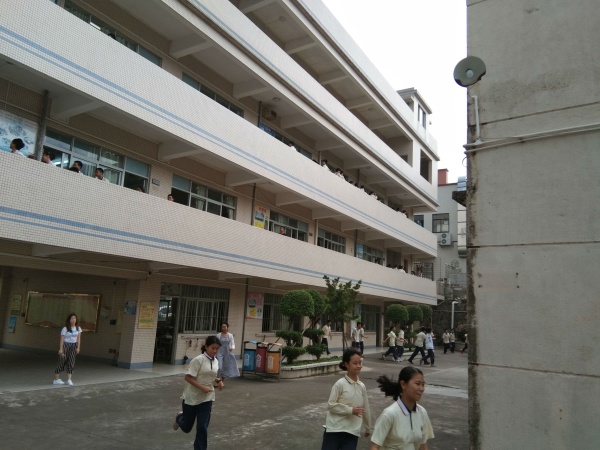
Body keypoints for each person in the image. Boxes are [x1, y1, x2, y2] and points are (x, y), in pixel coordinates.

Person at [173, 335, 224, 450]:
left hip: (207, 398)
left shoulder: (216, 361)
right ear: (206, 347)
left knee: (202, 427)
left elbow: (211, 375)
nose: (215, 351)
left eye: (217, 349)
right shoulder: (198, 360)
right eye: (212, 348)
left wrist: (219, 381)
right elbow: (188, 377)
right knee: (187, 427)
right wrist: (202, 387)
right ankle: (179, 417)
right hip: (191, 398)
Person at [370, 367, 434, 449]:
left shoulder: (422, 413)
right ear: (403, 384)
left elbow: (423, 444)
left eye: (423, 384)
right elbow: (374, 446)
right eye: (417, 384)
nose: (421, 388)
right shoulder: (389, 414)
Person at [321, 348, 372, 450]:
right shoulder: (340, 384)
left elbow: (365, 408)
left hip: (352, 432)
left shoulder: (362, 386)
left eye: (360, 363)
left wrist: (368, 427)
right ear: (346, 364)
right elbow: (331, 405)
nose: (359, 366)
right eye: (355, 363)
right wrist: (350, 410)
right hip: (334, 430)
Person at [53, 313, 82, 386]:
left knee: (71, 362)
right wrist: (61, 349)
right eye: (72, 318)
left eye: (74, 318)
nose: (73, 320)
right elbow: (62, 339)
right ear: (69, 320)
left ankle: (69, 379)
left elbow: (78, 339)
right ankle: (56, 379)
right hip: (66, 345)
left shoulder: (78, 328)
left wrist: (78, 347)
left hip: (73, 345)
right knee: (62, 361)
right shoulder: (65, 328)